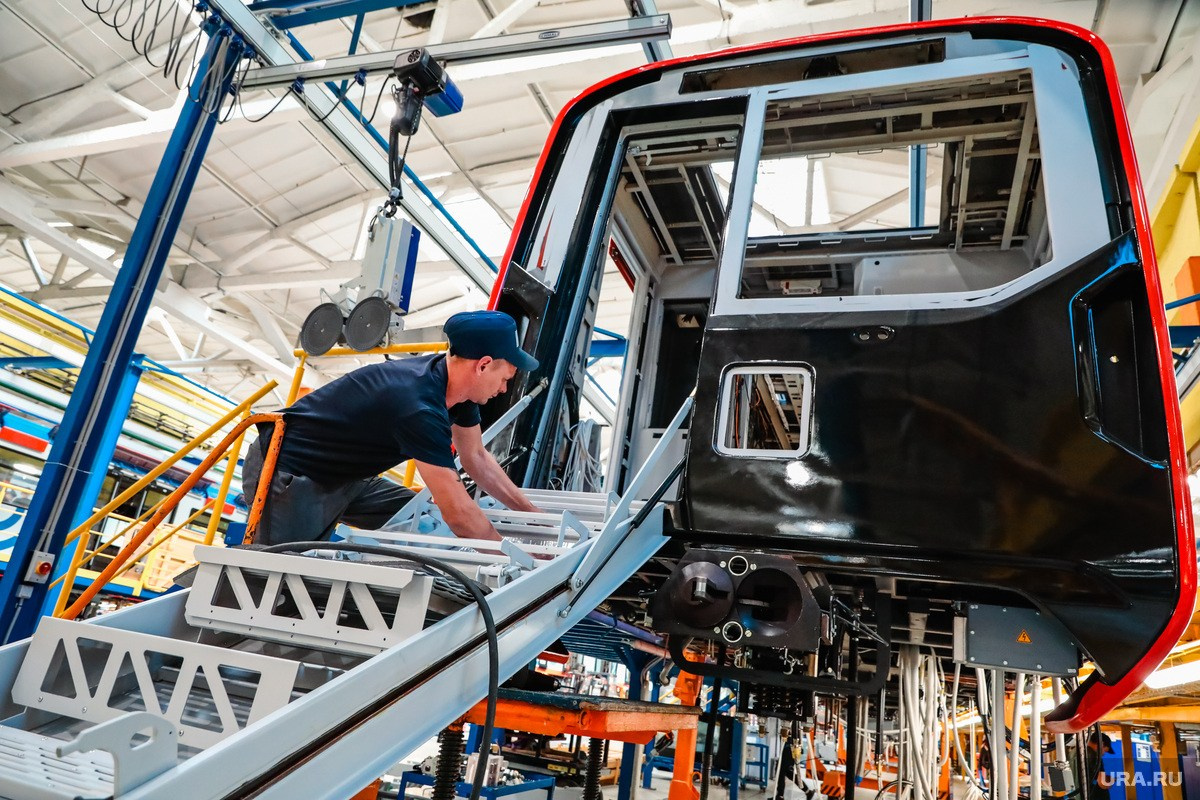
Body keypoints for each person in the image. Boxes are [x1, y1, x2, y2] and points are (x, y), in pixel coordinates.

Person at [241, 310, 541, 546]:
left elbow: (475, 457)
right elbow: (459, 514)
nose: (504, 389)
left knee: (426, 523)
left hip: (348, 477)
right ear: (483, 365)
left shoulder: (458, 393)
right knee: (274, 577)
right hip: (290, 470)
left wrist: (532, 515)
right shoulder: (417, 405)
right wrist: (512, 559)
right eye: (506, 378)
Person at [1085, 729, 1115, 799]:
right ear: (1102, 744)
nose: (1103, 754)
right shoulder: (1095, 757)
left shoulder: (1076, 753)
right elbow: (1103, 783)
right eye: (1105, 750)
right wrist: (1112, 780)